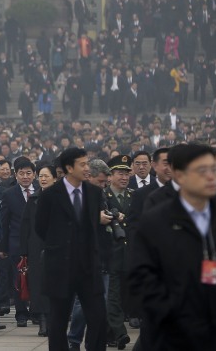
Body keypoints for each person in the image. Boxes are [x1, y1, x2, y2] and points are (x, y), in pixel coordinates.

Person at [127, 143, 216, 351]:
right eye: (202, 171)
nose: (212, 176)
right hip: (172, 333)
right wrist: (166, 316)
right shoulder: (156, 219)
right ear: (180, 175)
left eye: (213, 169)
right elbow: (141, 277)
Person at [35, 147, 107, 351]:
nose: (87, 168)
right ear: (69, 167)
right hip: (60, 267)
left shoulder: (93, 192)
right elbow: (41, 227)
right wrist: (59, 245)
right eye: (82, 164)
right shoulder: (50, 195)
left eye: (87, 163)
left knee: (98, 318)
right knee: (58, 322)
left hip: (88, 268)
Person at [0, 156, 38, 327]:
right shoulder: (9, 194)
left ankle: (37, 312)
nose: (25, 176)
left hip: (37, 243)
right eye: (21, 173)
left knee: (37, 278)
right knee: (18, 279)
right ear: (16, 175)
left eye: (28, 173)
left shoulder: (41, 191)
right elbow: (5, 222)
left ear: (34, 174)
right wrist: (3, 246)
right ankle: (21, 314)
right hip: (16, 243)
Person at [20, 162, 57, 335]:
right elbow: (25, 226)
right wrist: (24, 251)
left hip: (56, 247)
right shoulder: (33, 199)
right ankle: (42, 321)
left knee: (54, 284)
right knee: (38, 285)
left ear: (55, 179)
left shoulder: (61, 198)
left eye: (46, 176)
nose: (43, 179)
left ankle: (54, 321)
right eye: (40, 176)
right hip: (36, 248)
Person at [102, 155, 133, 349]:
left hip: (130, 255)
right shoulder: (103, 196)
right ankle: (120, 332)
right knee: (112, 296)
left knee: (124, 296)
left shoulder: (134, 195)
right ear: (110, 176)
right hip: (110, 255)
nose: (124, 177)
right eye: (120, 173)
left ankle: (109, 333)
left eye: (127, 173)